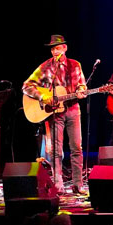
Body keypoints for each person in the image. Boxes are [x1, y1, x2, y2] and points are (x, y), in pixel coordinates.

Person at [22, 35, 87, 194]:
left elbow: (82, 85)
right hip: (55, 113)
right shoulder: (46, 67)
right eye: (52, 49)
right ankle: (58, 184)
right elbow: (26, 86)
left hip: (73, 110)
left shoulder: (75, 65)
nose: (54, 51)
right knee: (56, 150)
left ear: (65, 48)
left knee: (76, 147)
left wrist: (81, 91)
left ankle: (78, 184)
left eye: (57, 48)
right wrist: (43, 97)